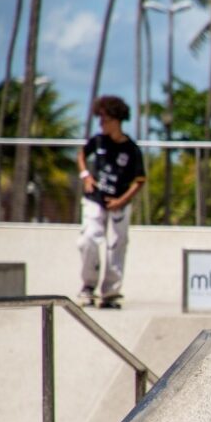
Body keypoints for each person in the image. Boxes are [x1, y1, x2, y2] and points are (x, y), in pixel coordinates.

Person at [76, 96, 146, 309]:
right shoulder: (98, 141)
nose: (101, 124)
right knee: (89, 239)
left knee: (117, 244)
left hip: (119, 203)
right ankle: (88, 286)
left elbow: (140, 180)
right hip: (95, 199)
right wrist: (86, 176)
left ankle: (111, 292)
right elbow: (81, 154)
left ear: (116, 120)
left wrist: (121, 201)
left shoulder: (131, 149)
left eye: (104, 120)